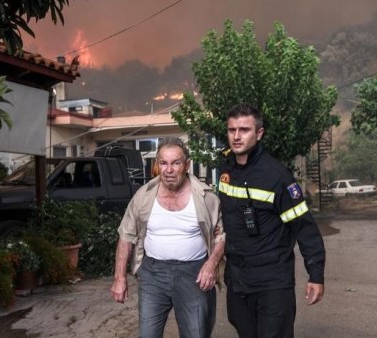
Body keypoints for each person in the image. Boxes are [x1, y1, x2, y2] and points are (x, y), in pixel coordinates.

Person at [218, 103, 326, 338]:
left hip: (272, 282)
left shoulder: (277, 176)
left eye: (244, 130)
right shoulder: (225, 170)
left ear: (259, 133)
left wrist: (315, 275)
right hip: (237, 280)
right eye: (231, 130)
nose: (236, 136)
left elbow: (305, 229)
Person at [110, 137, 225, 338]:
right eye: (163, 163)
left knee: (196, 333)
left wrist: (211, 265)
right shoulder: (143, 196)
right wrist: (119, 278)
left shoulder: (207, 198)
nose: (169, 170)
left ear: (186, 165)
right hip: (153, 274)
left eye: (175, 163)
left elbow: (221, 236)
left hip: (194, 274)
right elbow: (126, 236)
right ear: (157, 165)